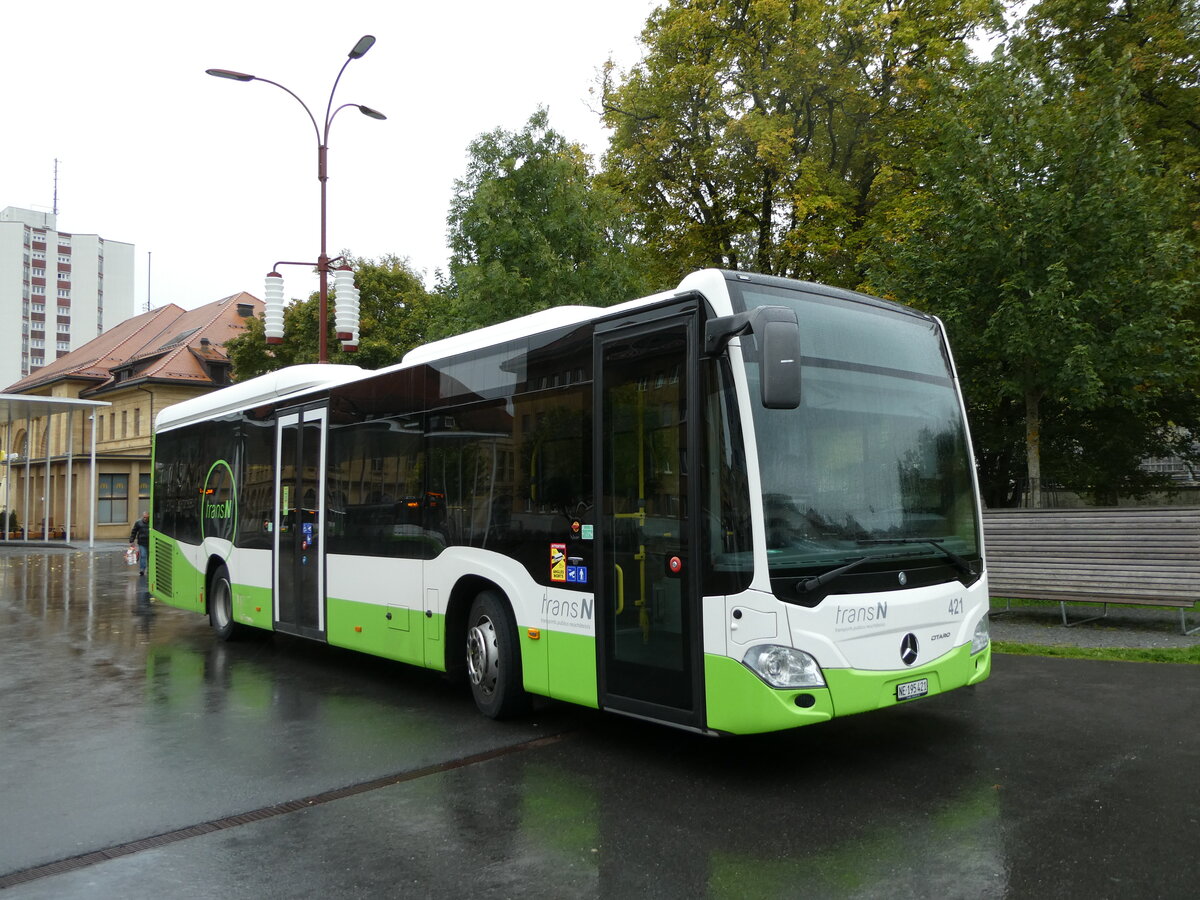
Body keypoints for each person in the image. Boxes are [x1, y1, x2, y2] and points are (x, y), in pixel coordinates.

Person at [129, 511, 150, 576]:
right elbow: (134, 531)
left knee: (149, 557)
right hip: (142, 542)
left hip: (150, 542)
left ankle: (149, 569)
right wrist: (131, 540)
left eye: (147, 517)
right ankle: (142, 569)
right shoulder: (138, 523)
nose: (145, 519)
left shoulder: (152, 523)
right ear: (142, 516)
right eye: (144, 517)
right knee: (143, 555)